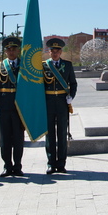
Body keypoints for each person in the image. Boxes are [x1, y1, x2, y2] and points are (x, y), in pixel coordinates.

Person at [0, 36, 25, 177]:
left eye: (14, 49)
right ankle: (7, 165)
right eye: (8, 49)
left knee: (18, 138)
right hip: (4, 106)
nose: (11, 52)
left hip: (19, 107)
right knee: (5, 138)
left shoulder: (23, 66)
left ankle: (17, 166)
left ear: (18, 50)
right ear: (5, 52)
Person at [43, 38, 77, 175]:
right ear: (49, 52)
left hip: (62, 102)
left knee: (62, 133)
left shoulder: (67, 65)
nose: (55, 53)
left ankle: (61, 163)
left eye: (57, 51)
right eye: (52, 50)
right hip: (48, 102)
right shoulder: (43, 66)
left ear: (61, 51)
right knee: (50, 135)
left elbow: (73, 83)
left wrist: (71, 96)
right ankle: (51, 163)